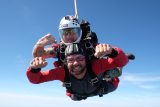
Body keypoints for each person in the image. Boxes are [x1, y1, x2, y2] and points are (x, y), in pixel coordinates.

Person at [27, 43, 128, 101]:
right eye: (70, 60)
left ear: (86, 59)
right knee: (74, 98)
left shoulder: (95, 65)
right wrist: (34, 69)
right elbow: (37, 79)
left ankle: (109, 73)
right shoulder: (62, 72)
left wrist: (113, 52)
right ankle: (108, 72)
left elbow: (122, 61)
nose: (75, 63)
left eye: (79, 58)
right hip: (77, 94)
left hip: (99, 88)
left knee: (115, 78)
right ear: (65, 62)